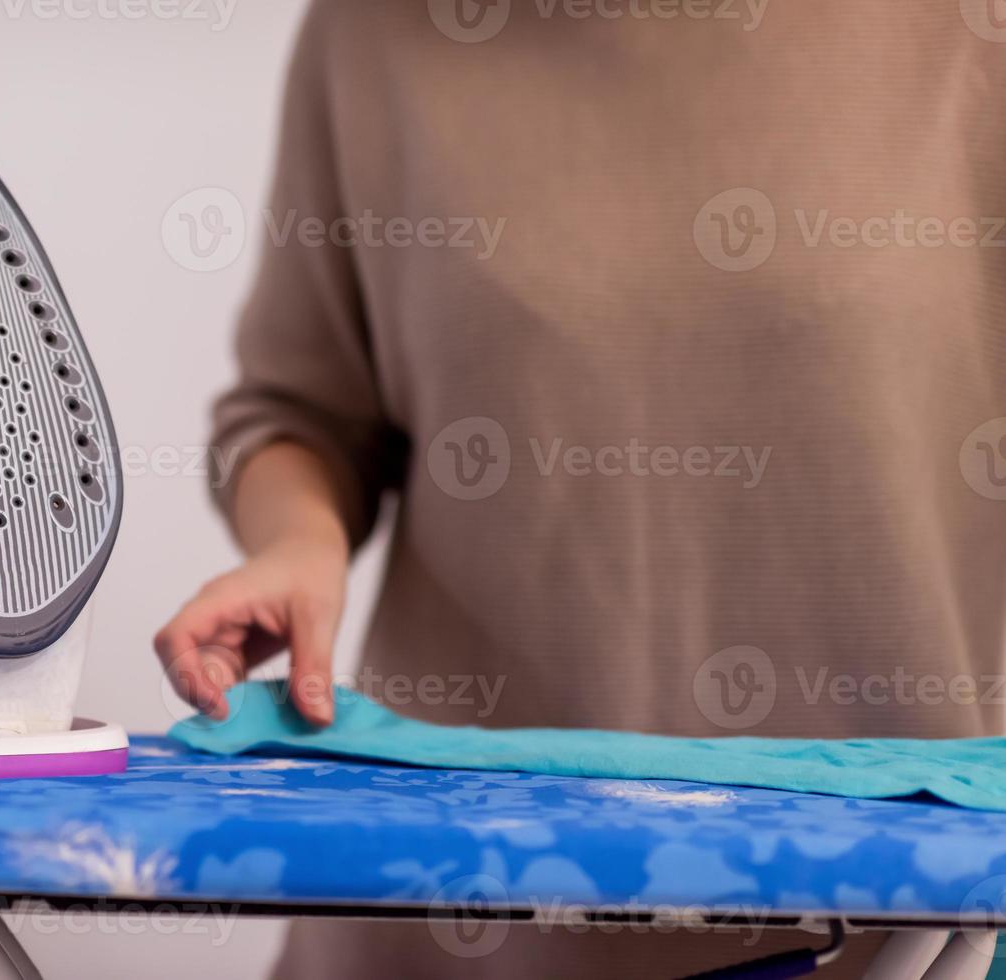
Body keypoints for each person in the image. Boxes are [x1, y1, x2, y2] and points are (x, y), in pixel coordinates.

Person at [154, 1, 1006, 975]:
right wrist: (298, 542)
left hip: (899, 940)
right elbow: (297, 412)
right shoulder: (373, 34)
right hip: (443, 931)